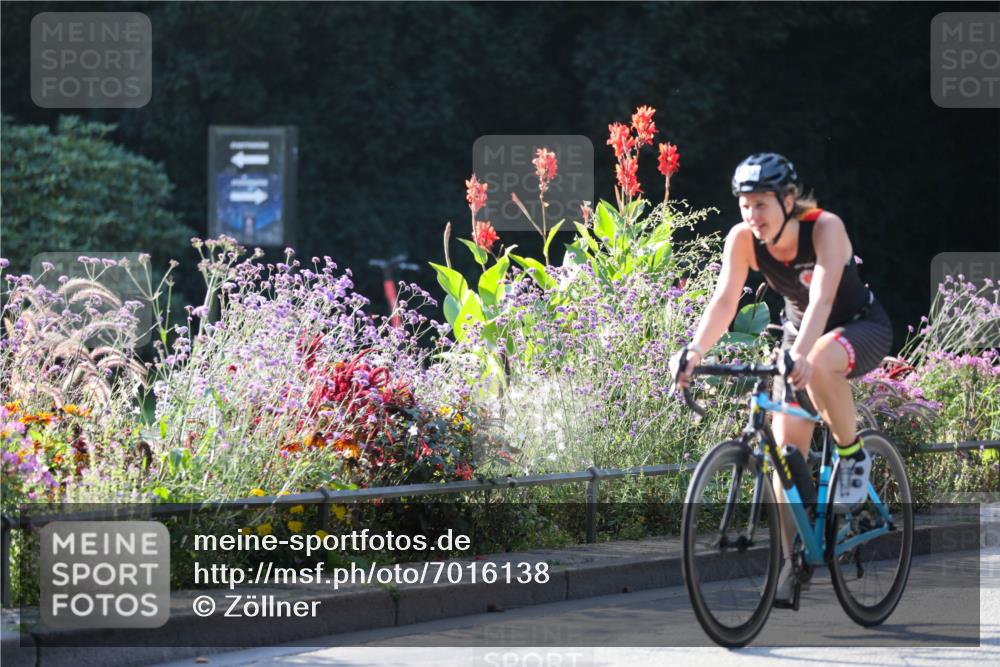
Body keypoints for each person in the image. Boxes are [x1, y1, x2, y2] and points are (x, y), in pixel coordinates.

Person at [672, 152, 893, 602]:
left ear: (788, 200)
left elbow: (823, 300)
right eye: (745, 206)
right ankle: (794, 559)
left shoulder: (825, 228)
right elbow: (724, 301)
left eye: (762, 205)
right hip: (801, 334)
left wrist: (800, 353)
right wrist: (694, 350)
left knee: (823, 360)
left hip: (857, 325)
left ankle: (852, 455)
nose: (753, 216)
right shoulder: (743, 240)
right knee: (787, 452)